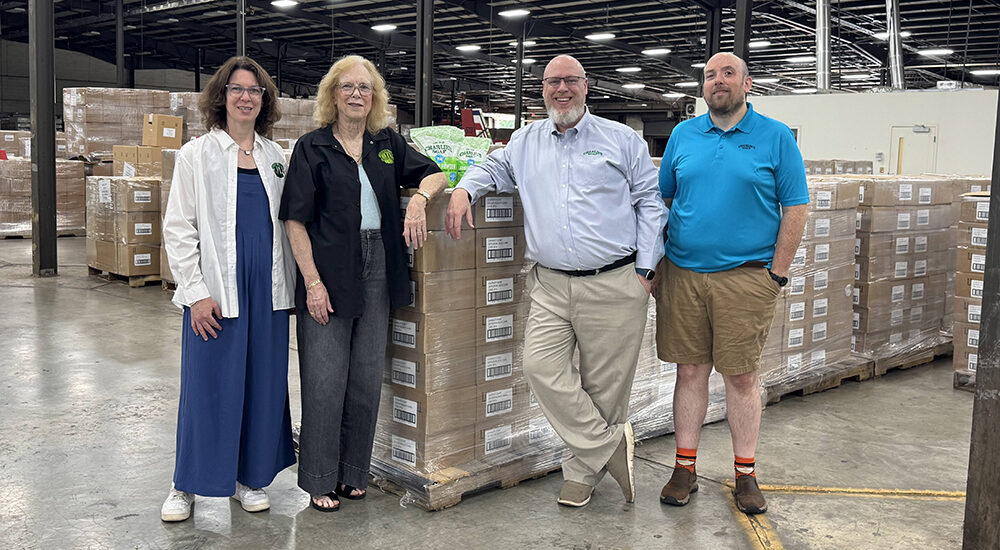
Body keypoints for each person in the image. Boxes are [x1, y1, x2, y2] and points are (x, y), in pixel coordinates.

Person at [446, 54, 662, 508]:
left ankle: (582, 474)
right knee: (539, 368)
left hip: (615, 281)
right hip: (549, 284)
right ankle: (609, 446)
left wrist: (644, 270)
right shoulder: (525, 141)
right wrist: (466, 188)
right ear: (541, 89)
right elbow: (493, 168)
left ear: (587, 86)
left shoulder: (622, 140)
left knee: (604, 388)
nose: (561, 90)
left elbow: (650, 202)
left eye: (570, 81)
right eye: (552, 83)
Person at [280, 55, 447, 513]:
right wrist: (312, 283)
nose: (357, 94)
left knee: (367, 377)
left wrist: (418, 202)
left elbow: (435, 173)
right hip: (328, 272)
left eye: (365, 87)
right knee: (324, 379)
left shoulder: (386, 142)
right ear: (332, 95)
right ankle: (318, 478)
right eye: (347, 87)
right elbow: (295, 221)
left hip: (380, 266)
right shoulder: (312, 148)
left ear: (375, 97)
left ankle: (354, 473)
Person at [656, 52, 809, 514]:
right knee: (689, 371)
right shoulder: (684, 135)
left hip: (746, 278)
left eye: (727, 74)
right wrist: (655, 264)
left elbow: (795, 208)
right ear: (702, 88)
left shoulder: (775, 137)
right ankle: (685, 467)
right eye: (709, 76)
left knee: (741, 377)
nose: (717, 81)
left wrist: (776, 275)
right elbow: (663, 200)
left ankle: (745, 473)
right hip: (682, 274)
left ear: (746, 84)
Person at [160, 56, 296, 522]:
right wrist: (195, 293)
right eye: (237, 89)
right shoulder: (196, 156)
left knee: (263, 384)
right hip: (217, 291)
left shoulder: (275, 158)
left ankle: (250, 477)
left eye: (254, 91)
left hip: (269, 293)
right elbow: (178, 229)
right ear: (222, 97)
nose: (245, 97)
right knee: (208, 387)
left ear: (264, 101)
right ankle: (186, 484)